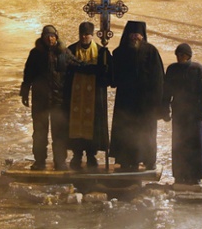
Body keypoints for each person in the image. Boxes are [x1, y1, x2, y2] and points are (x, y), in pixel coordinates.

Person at [109, 21, 165, 171]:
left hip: (146, 102)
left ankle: (149, 160)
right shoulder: (119, 52)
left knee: (146, 132)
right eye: (132, 34)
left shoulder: (152, 52)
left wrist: (158, 103)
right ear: (128, 35)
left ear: (142, 36)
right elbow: (113, 77)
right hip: (126, 102)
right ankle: (127, 161)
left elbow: (159, 79)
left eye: (137, 34)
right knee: (126, 131)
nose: (135, 37)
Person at [20, 25, 77, 171]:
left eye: (52, 36)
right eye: (47, 36)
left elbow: (77, 65)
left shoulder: (64, 52)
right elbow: (28, 74)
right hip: (40, 100)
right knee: (39, 133)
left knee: (59, 133)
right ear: (43, 38)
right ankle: (39, 161)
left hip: (58, 100)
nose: (50, 39)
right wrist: (25, 92)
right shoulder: (35, 54)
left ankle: (60, 161)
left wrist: (95, 68)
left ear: (56, 37)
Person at [65, 22, 112, 170]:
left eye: (87, 34)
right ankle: (77, 155)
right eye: (82, 34)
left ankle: (91, 155)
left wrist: (104, 71)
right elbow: (66, 69)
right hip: (75, 95)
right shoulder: (71, 50)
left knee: (93, 126)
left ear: (92, 35)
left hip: (94, 95)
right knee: (75, 125)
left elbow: (107, 72)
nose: (84, 37)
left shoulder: (100, 51)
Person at [161, 43, 202, 185]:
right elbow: (166, 91)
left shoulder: (198, 69)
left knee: (195, 144)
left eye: (182, 55)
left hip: (194, 113)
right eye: (177, 55)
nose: (179, 58)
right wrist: (165, 109)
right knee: (179, 144)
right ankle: (180, 174)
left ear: (188, 56)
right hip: (179, 112)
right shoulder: (172, 69)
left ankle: (196, 175)